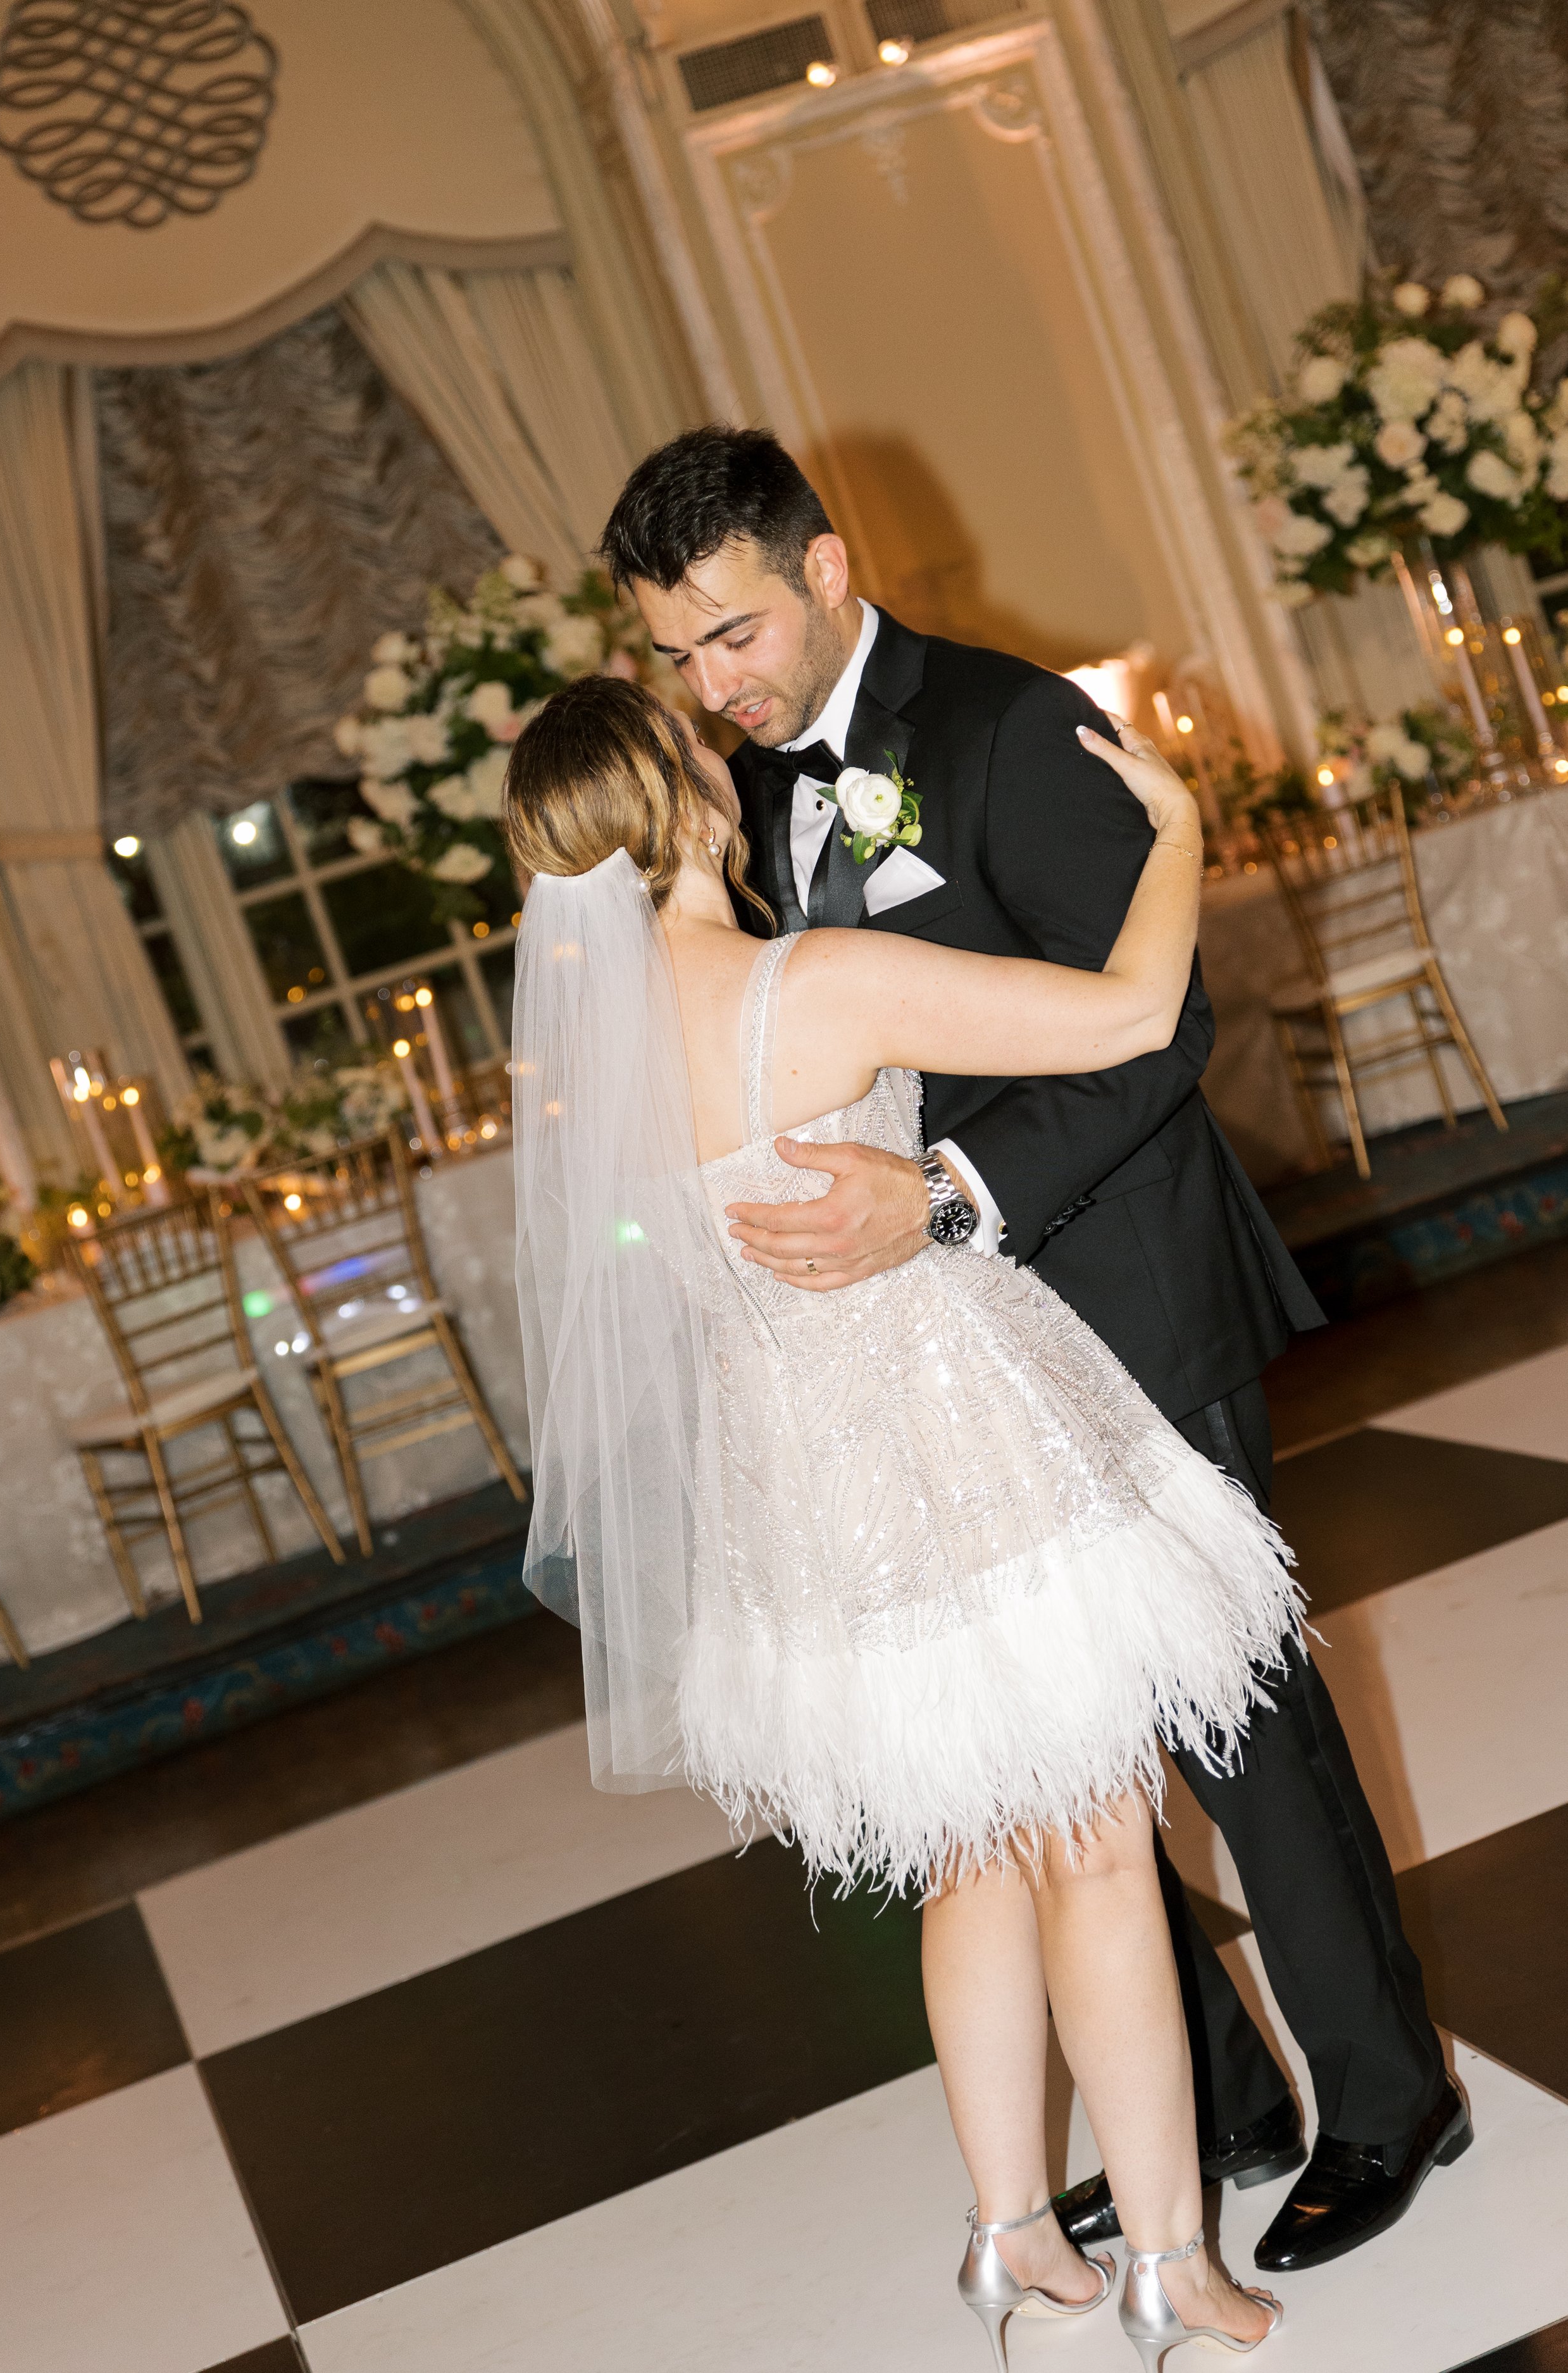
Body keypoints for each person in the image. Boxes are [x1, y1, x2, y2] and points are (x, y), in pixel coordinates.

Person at [594, 426, 1468, 2279]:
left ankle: (1389, 2101)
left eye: (736, 632)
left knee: (1237, 1724)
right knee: (1050, 1745)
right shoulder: (741, 796)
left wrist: (944, 1198)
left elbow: (1162, 1027)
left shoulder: (1007, 727)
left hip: (1120, 1288)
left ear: (827, 570)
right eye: (676, 654)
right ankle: (1207, 2102)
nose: (713, 684)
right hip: (943, 1365)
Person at [506, 666, 1291, 2367]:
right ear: (689, 802)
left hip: (796, 1506)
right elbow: (1129, 1014)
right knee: (1095, 1844)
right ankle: (1169, 2261)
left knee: (969, 1854)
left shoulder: (595, 1079)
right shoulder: (812, 982)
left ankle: (1009, 2232)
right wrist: (1174, 830)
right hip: (952, 1445)